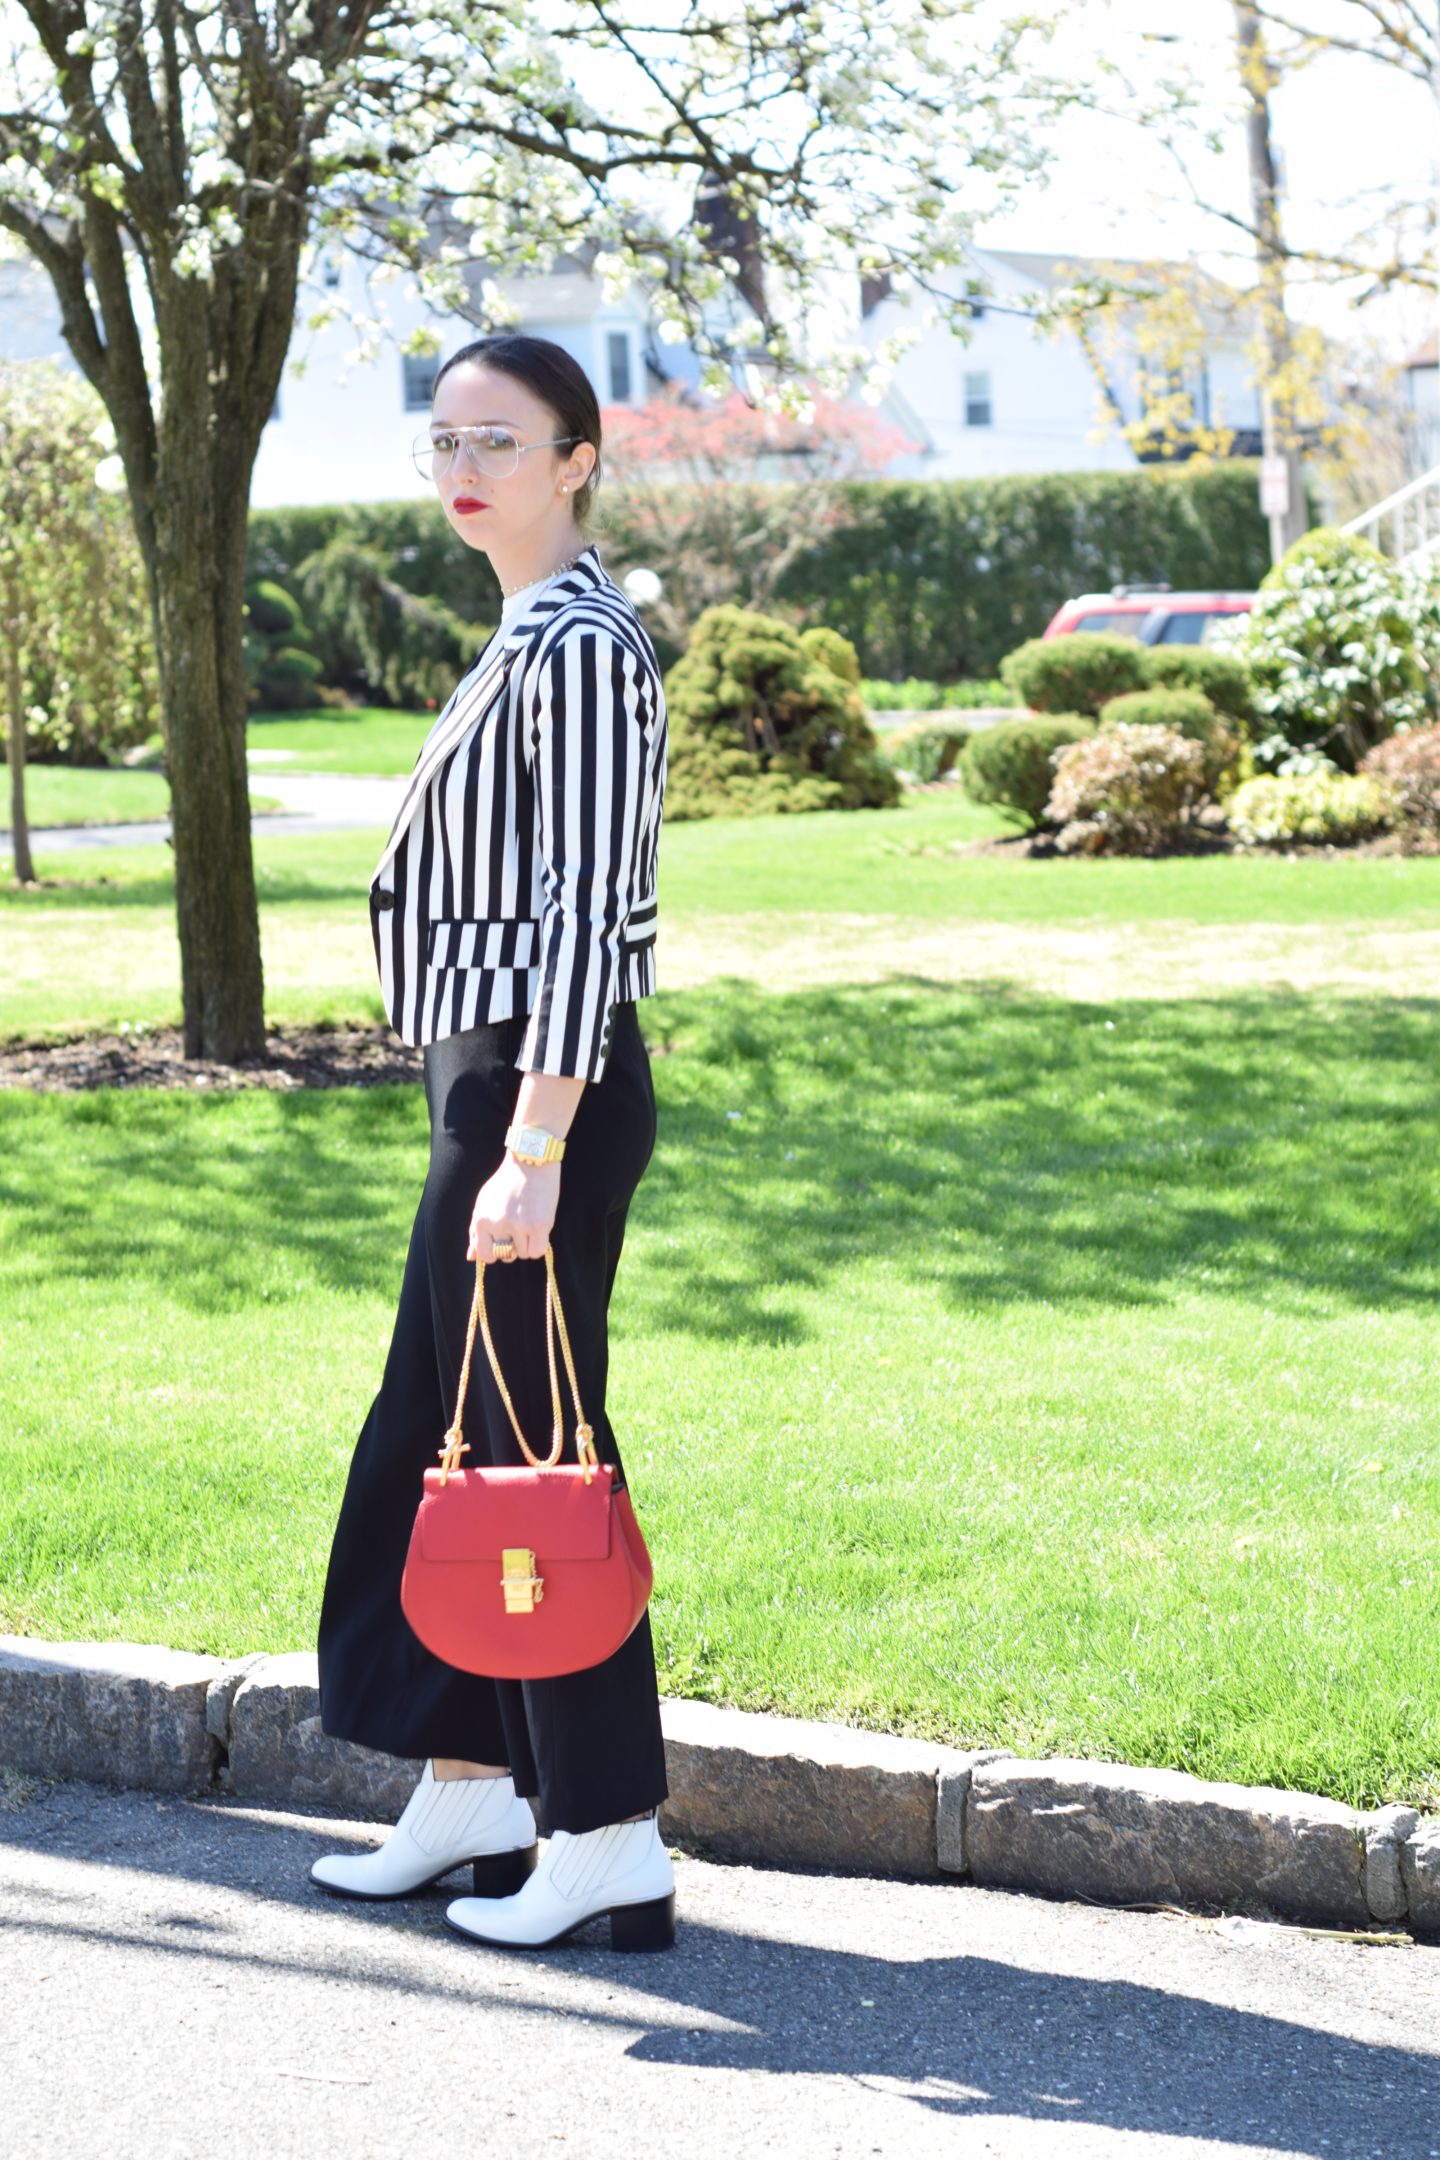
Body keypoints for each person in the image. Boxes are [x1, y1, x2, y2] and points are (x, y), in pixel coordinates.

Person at [310, 332, 674, 1953]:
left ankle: (607, 1831)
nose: (465, 467)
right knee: (446, 1429)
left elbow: (589, 917)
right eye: (443, 440)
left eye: (501, 440)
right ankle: (474, 1786)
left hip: (544, 1092)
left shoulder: (582, 645)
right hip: (495, 1083)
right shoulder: (524, 632)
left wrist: (531, 1144)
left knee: (526, 1448)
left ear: (578, 458)